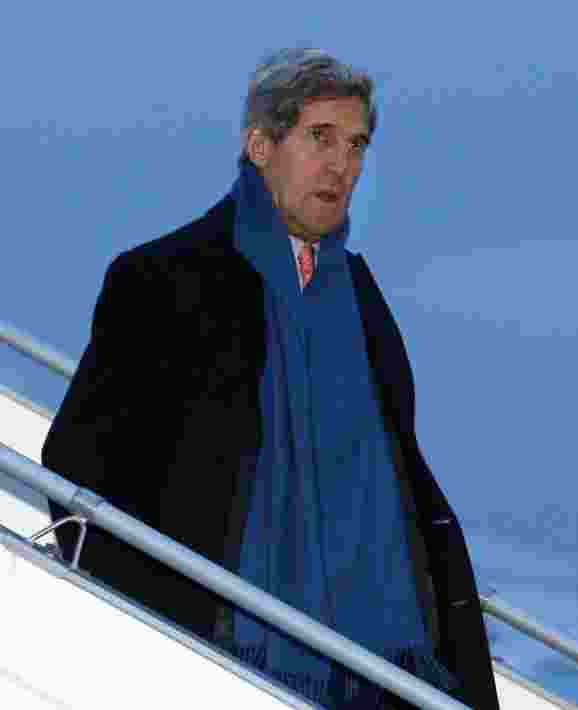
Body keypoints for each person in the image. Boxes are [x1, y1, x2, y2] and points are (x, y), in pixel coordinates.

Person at [41, 48, 499, 710]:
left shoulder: (362, 300)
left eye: (357, 145)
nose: (343, 165)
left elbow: (401, 478)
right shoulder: (166, 278)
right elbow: (79, 465)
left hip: (383, 668)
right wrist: (152, 623)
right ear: (260, 144)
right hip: (223, 661)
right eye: (321, 137)